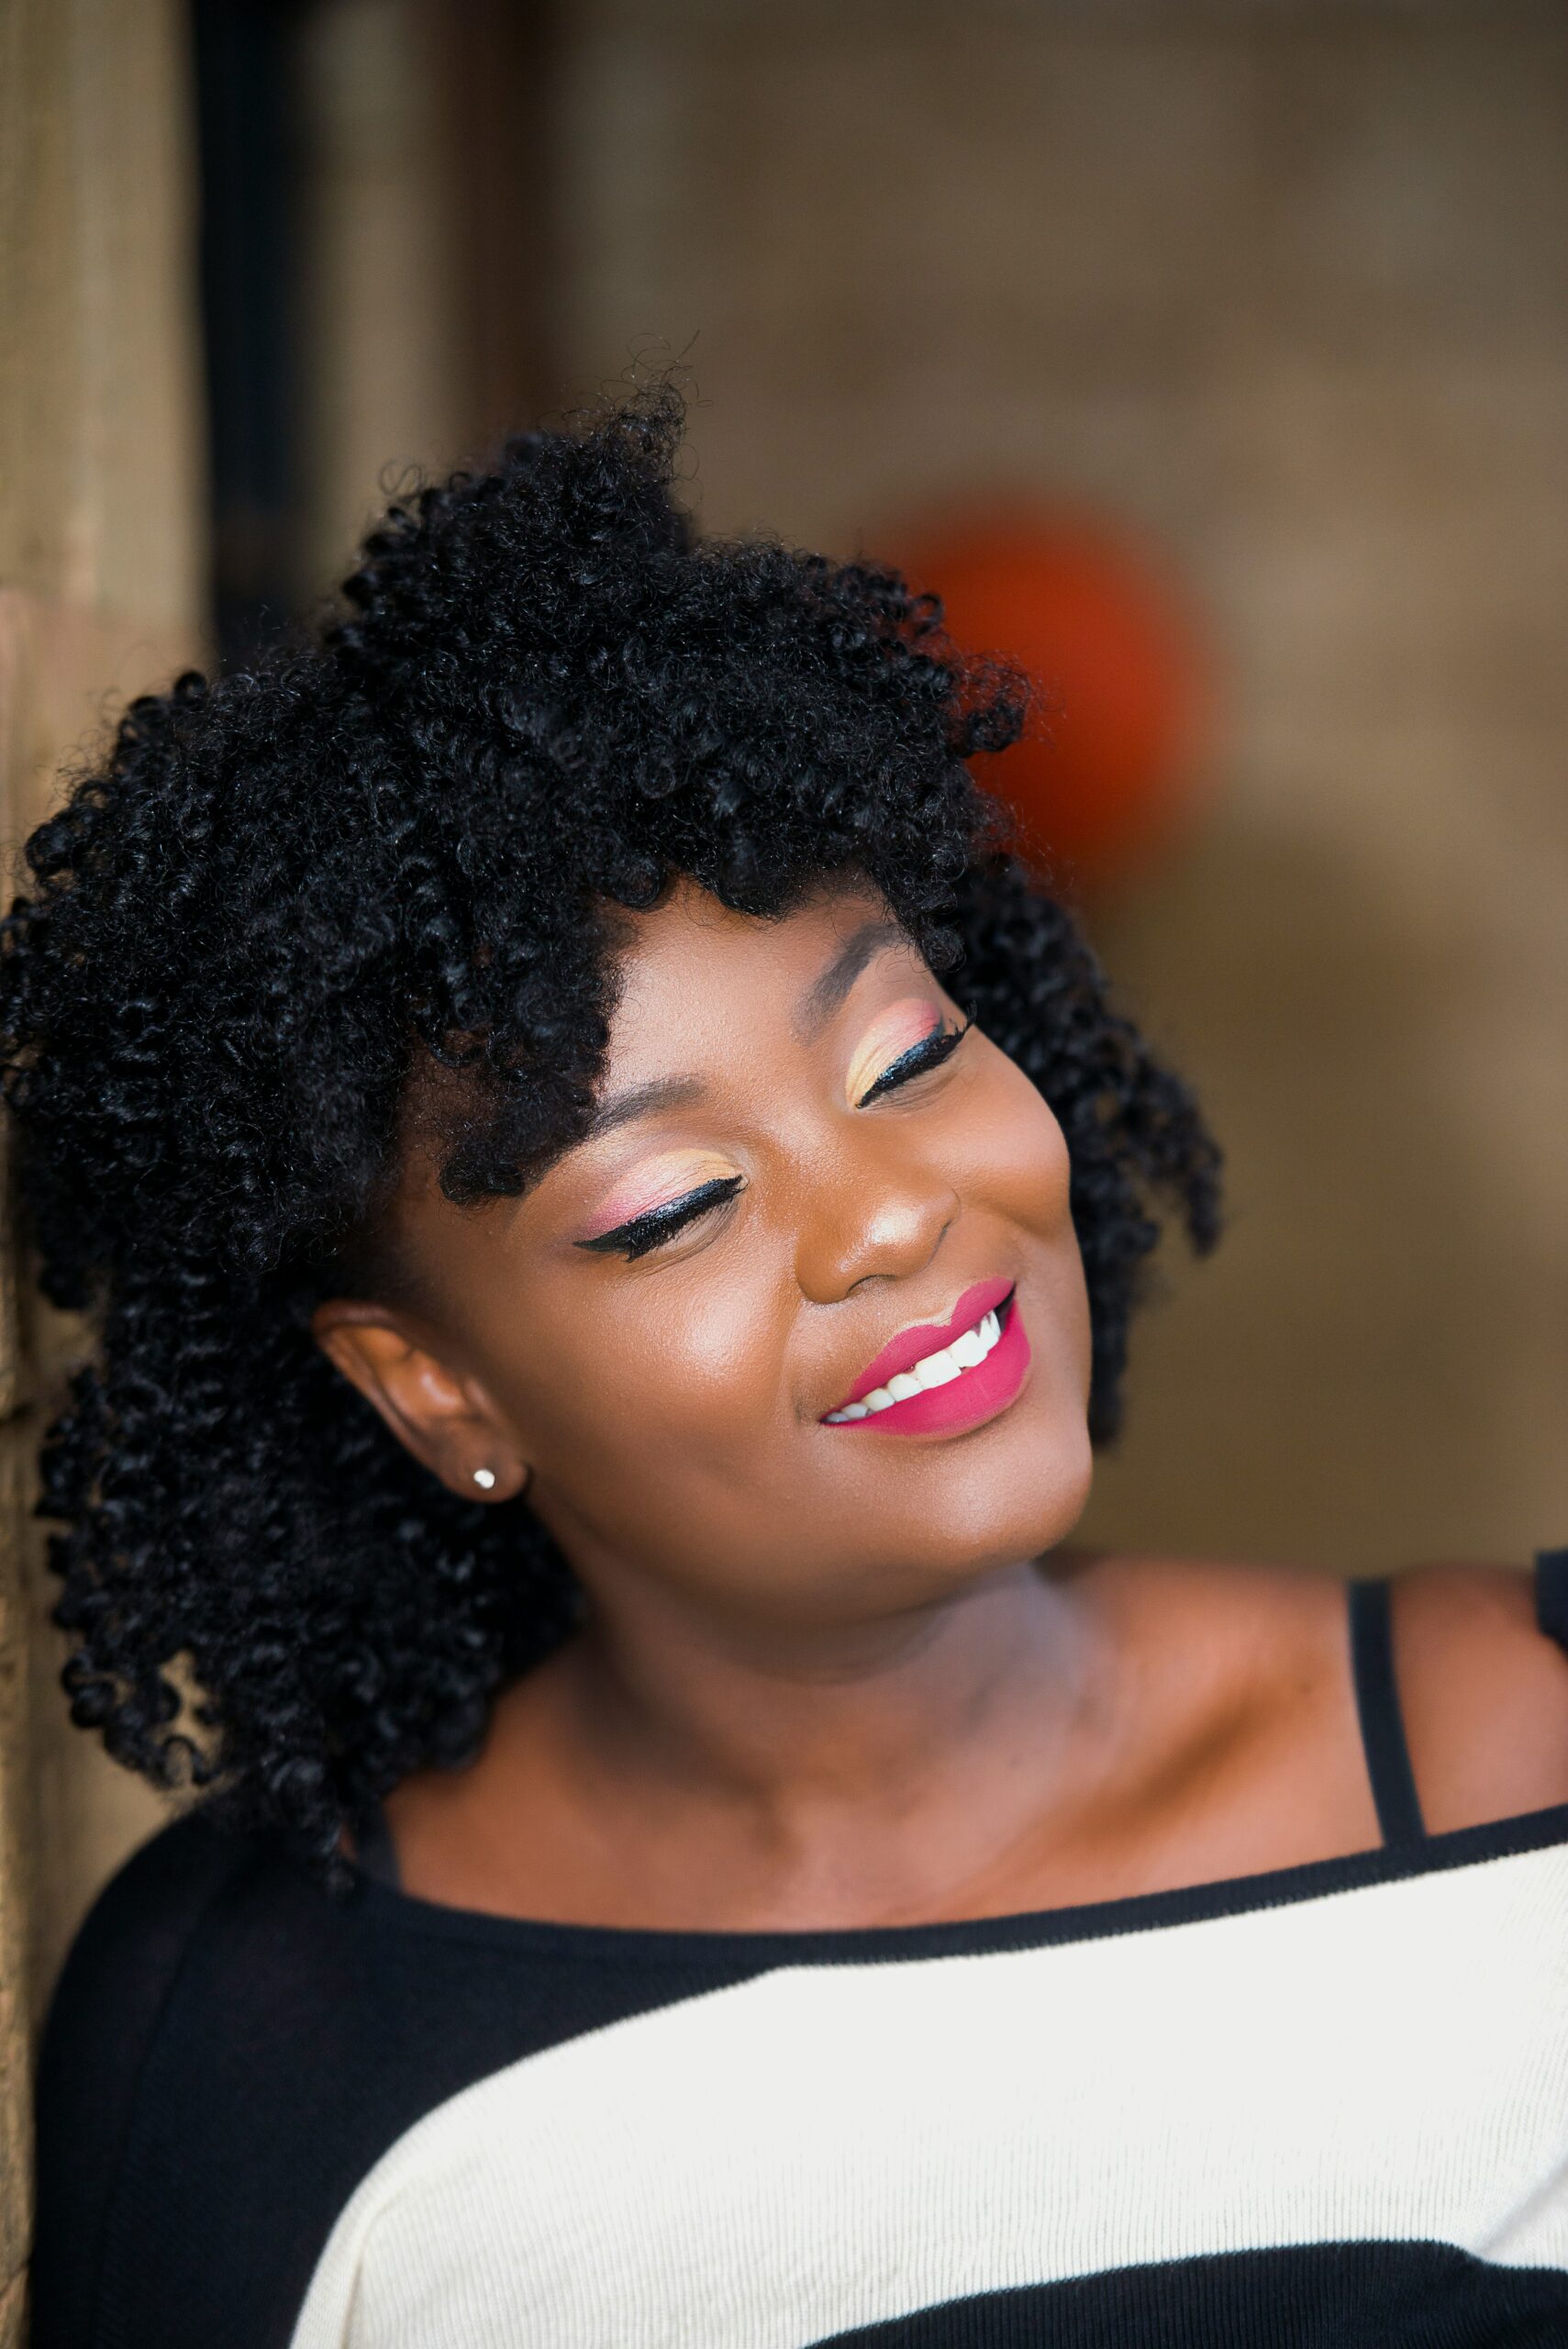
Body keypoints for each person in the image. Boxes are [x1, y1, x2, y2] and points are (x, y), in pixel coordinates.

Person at [10, 390, 1568, 2349]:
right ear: (434, 1387)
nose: (891, 1215)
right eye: (673, 1203)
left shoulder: (1536, 1759)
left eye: (907, 1056)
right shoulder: (259, 2041)